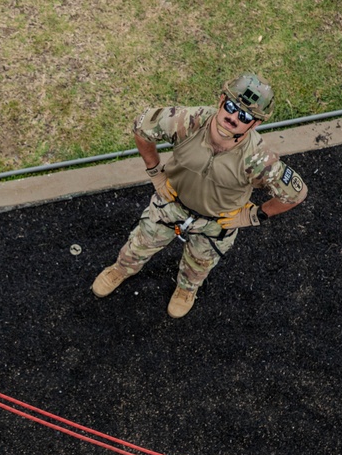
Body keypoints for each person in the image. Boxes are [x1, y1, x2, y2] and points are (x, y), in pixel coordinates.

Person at [91, 72, 308, 317]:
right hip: (171, 204)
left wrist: (254, 216)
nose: (233, 118)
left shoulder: (257, 159)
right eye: (230, 106)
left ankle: (186, 289)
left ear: (255, 124)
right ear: (221, 100)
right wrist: (155, 172)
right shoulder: (188, 122)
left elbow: (295, 194)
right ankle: (122, 269)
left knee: (199, 265)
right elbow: (142, 128)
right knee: (139, 244)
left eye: (245, 116)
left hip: (216, 223)